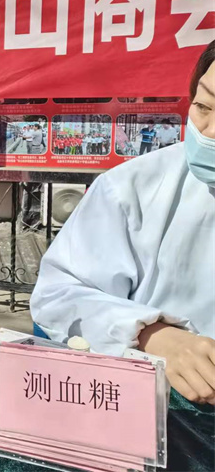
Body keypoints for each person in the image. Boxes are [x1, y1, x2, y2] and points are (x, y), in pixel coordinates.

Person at [31, 40, 215, 405]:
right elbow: (59, 295)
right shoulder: (132, 186)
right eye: (204, 106)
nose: (208, 133)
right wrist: (152, 335)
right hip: (161, 405)